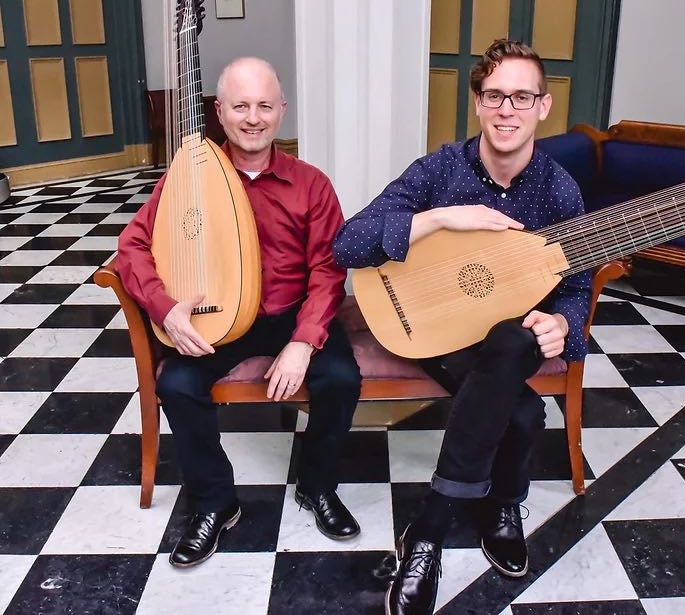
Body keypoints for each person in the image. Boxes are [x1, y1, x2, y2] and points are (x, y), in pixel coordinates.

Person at [333, 40, 592, 614]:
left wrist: (561, 324)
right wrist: (440, 218)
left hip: (507, 342)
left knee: (511, 338)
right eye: (495, 95)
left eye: (522, 97)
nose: (508, 109)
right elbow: (347, 243)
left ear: (543, 108)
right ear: (477, 103)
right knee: (523, 411)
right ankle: (502, 502)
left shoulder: (559, 192)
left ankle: (428, 529)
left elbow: (576, 288)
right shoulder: (440, 170)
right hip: (428, 333)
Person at [117, 57, 362, 568]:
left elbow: (328, 269)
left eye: (265, 106)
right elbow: (132, 245)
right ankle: (214, 502)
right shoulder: (187, 179)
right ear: (220, 111)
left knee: (339, 377)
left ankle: (317, 486)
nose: (253, 117)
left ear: (281, 112)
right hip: (218, 320)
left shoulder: (311, 184)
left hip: (290, 314)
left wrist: (302, 340)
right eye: (241, 105)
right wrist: (167, 310)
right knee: (178, 385)